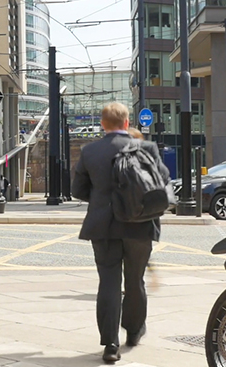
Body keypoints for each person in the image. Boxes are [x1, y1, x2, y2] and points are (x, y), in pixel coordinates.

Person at [71, 102, 169, 364]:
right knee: (135, 281)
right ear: (127, 123)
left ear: (103, 124)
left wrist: (102, 197)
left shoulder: (90, 151)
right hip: (141, 225)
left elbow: (77, 190)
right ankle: (134, 332)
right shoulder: (147, 148)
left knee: (109, 283)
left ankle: (110, 345)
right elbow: (162, 182)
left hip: (103, 226)